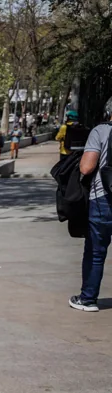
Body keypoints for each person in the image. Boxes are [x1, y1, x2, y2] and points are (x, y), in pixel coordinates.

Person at [70, 105, 112, 312]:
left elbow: (86, 167)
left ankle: (88, 299)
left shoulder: (101, 131)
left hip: (103, 198)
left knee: (96, 252)